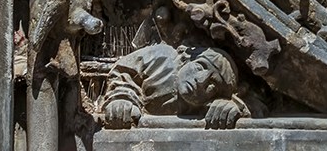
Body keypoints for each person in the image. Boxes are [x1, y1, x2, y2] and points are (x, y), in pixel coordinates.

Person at [99, 43, 248, 129]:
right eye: (200, 67)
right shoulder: (161, 57)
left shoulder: (204, 107)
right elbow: (123, 73)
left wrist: (230, 108)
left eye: (213, 85)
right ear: (186, 59)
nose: (201, 82)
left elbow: (252, 110)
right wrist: (122, 98)